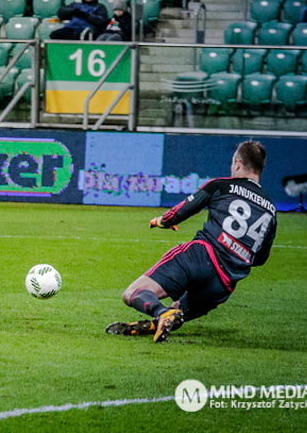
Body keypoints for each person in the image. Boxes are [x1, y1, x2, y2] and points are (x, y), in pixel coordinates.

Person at [106, 140, 277, 343]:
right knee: (178, 312)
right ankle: (159, 322)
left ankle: (160, 313)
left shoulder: (222, 186)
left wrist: (161, 221)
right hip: (224, 282)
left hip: (201, 256)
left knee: (133, 293)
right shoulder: (271, 211)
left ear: (238, 163)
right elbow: (260, 259)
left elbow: (180, 212)